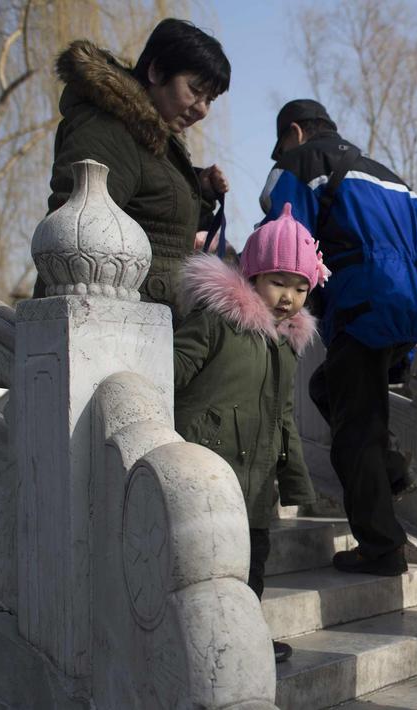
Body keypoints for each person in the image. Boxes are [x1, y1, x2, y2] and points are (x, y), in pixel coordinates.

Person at [260, 100, 417, 575]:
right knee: (330, 391)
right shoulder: (386, 174)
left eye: (279, 145)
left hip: (364, 303)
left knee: (352, 433)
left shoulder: (301, 161)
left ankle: (382, 548)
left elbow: (283, 239)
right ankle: (392, 469)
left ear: (294, 132)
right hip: (413, 303)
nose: (278, 155)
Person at [173, 204, 322, 663]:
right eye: (278, 282)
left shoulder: (285, 344)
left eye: (301, 288)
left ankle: (245, 635)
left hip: (256, 483)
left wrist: (296, 480)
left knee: (251, 563)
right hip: (207, 468)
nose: (288, 297)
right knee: (201, 560)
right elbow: (173, 368)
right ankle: (195, 642)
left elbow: (284, 418)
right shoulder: (218, 320)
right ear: (252, 275)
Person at [39, 19, 231, 320]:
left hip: (145, 323)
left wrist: (200, 191)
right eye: (195, 90)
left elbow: (156, 216)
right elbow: (74, 238)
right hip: (111, 325)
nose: (202, 109)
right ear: (156, 71)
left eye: (210, 99)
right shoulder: (109, 129)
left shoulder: (152, 137)